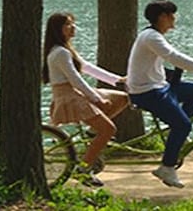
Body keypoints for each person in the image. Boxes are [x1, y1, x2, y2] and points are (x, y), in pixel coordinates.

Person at [126, 0, 193, 189]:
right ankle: (167, 167)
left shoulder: (153, 35)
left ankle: (176, 133)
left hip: (159, 86)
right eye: (172, 14)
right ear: (163, 16)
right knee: (183, 125)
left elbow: (175, 55)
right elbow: (174, 57)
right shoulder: (151, 37)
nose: (174, 18)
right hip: (146, 92)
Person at [42, 11, 129, 187]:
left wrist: (118, 79)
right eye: (68, 24)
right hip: (69, 96)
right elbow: (75, 79)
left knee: (123, 98)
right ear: (57, 29)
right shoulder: (60, 53)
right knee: (108, 130)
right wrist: (96, 98)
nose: (73, 27)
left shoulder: (65, 49)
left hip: (74, 93)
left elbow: (87, 68)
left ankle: (91, 132)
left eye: (73, 23)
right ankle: (84, 169)